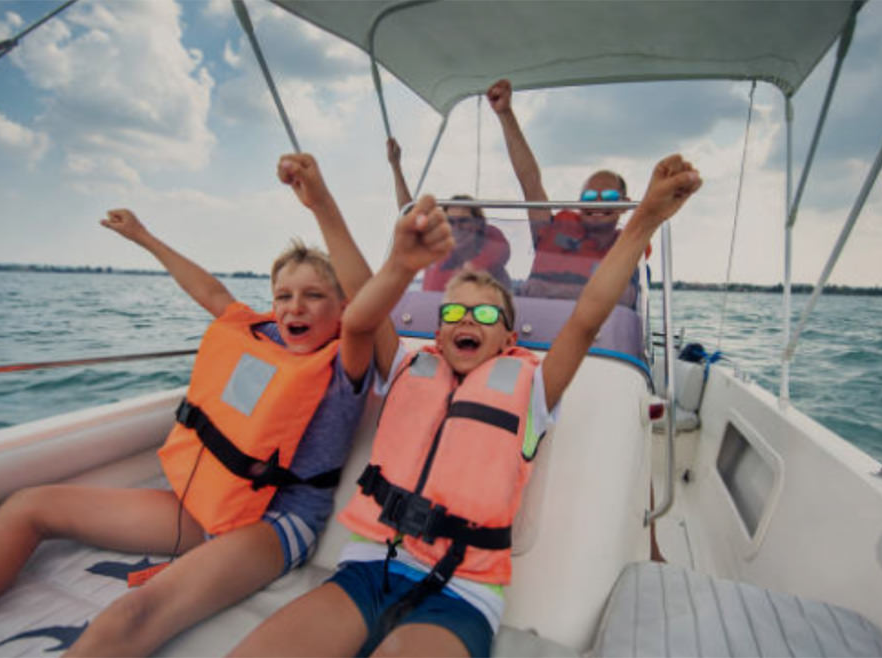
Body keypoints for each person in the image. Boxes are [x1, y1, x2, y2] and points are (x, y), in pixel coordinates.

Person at [229, 153, 701, 657]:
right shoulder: (407, 368)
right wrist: (321, 204)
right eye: (453, 311)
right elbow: (364, 294)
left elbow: (586, 318)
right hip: (368, 569)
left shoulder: (535, 389)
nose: (466, 321)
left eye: (484, 313)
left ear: (507, 338)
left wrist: (645, 220)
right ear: (437, 331)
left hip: (462, 593)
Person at [0, 155, 380, 657]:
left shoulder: (345, 364)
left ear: (342, 308)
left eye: (314, 295)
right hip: (209, 504)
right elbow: (209, 290)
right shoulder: (259, 334)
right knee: (29, 505)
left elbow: (366, 302)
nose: (295, 307)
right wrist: (143, 236)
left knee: (132, 614)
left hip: (275, 522)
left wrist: (321, 204)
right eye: (284, 295)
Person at [487, 79, 640, 303]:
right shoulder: (551, 229)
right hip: (531, 331)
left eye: (609, 196)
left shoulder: (630, 246)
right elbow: (530, 182)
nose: (597, 203)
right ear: (579, 204)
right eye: (589, 197)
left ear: (625, 204)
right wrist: (505, 113)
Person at [387, 137, 512, 291]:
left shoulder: (494, 260)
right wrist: (395, 166)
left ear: (479, 225)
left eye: (464, 221)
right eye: (451, 221)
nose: (457, 226)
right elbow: (408, 213)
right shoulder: (436, 246)